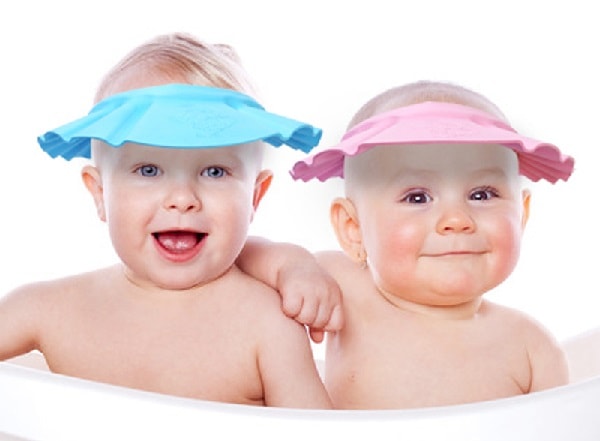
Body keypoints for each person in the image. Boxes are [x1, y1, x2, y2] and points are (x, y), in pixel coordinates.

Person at [0, 32, 339, 408]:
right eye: (148, 170)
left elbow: (320, 432)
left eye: (214, 171)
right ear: (100, 194)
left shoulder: (268, 327)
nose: (182, 199)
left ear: (255, 197)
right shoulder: (46, 310)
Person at [240, 80, 574, 409]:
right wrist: (292, 268)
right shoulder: (343, 286)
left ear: (521, 215)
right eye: (417, 197)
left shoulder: (532, 349)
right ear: (353, 229)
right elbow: (239, 255)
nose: (456, 219)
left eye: (482, 194)